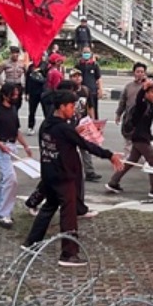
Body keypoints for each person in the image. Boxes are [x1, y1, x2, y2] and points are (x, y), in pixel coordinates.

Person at [23, 90, 123, 267]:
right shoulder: (63, 128)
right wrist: (109, 155)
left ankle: (31, 243)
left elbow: (64, 141)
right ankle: (68, 254)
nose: (73, 110)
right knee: (69, 214)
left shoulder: (47, 124)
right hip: (63, 176)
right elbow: (85, 145)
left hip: (49, 174)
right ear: (62, 107)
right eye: (70, 107)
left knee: (48, 207)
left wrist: (74, 132)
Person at [106, 80, 153, 199]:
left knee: (131, 161)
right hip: (140, 138)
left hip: (140, 137)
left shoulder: (150, 104)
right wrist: (142, 89)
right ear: (146, 94)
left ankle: (113, 182)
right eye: (152, 92)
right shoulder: (143, 104)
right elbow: (138, 100)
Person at [0, 83, 32, 228]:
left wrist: (25, 145)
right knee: (11, 179)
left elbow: (16, 130)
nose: (16, 97)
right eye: (14, 94)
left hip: (11, 146)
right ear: (5, 95)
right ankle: (5, 213)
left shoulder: (12, 110)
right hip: (1, 148)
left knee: (5, 180)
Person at [116, 62, 147, 143]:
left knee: (141, 143)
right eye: (138, 72)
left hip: (143, 118)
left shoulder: (148, 87)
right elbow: (122, 101)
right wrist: (118, 114)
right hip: (129, 118)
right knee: (129, 143)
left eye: (142, 72)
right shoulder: (128, 86)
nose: (140, 74)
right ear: (134, 73)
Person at [0, 46, 26, 111]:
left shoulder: (22, 64)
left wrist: (24, 85)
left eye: (17, 53)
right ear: (10, 54)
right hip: (8, 85)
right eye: (13, 53)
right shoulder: (5, 63)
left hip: (18, 85)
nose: (15, 55)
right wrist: (2, 84)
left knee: (17, 104)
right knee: (7, 103)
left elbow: (27, 75)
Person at [77, 46, 103, 119]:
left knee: (93, 111)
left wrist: (100, 90)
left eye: (88, 52)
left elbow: (99, 78)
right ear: (82, 53)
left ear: (91, 53)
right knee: (82, 111)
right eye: (85, 52)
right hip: (82, 92)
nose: (86, 54)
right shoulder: (78, 65)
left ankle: (94, 126)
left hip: (93, 92)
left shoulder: (94, 65)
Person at [25, 58, 47, 135]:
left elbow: (46, 77)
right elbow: (27, 80)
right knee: (32, 111)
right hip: (33, 93)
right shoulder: (30, 67)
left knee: (46, 111)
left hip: (43, 92)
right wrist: (26, 92)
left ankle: (47, 127)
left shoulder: (45, 65)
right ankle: (30, 127)